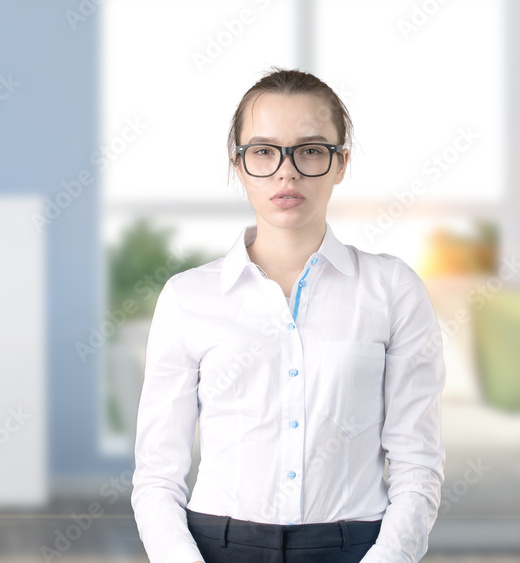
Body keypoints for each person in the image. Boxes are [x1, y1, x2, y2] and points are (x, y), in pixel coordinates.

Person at [130, 68, 446, 563]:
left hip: (356, 548)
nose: (287, 171)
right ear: (238, 164)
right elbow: (156, 475)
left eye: (311, 150)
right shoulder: (187, 298)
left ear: (341, 163)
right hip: (216, 547)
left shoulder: (393, 289)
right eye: (263, 150)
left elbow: (417, 465)